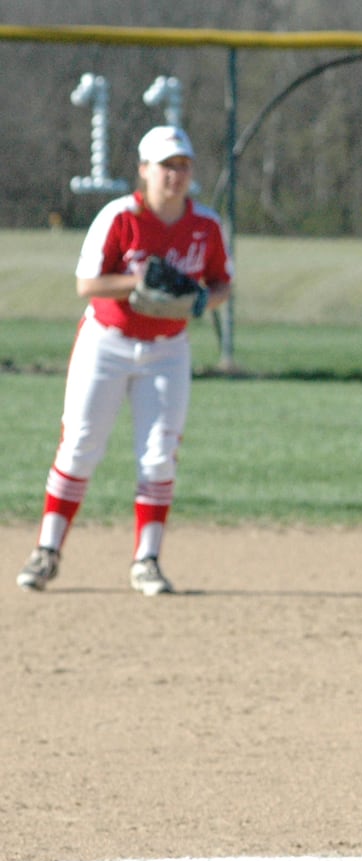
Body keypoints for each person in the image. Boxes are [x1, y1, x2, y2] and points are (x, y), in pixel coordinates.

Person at [15, 125, 233, 595]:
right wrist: (136, 285)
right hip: (107, 343)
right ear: (144, 171)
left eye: (183, 165)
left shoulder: (205, 225)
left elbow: (221, 285)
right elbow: (87, 284)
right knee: (79, 445)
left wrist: (198, 303)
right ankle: (47, 551)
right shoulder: (120, 217)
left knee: (159, 454)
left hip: (168, 351)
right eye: (166, 166)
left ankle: (147, 560)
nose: (175, 175)